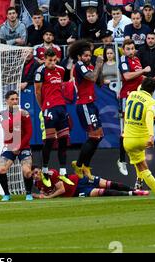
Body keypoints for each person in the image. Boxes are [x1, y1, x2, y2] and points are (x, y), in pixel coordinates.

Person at [123, 77, 155, 203]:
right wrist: (151, 136)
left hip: (128, 139)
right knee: (143, 166)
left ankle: (139, 181)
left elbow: (142, 112)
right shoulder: (151, 102)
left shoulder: (132, 94)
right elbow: (148, 117)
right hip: (142, 139)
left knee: (140, 164)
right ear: (153, 91)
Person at [34, 48, 74, 187]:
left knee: (63, 140)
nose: (51, 63)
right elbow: (37, 91)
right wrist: (43, 107)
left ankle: (63, 172)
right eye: (49, 60)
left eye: (53, 60)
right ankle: (44, 170)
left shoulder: (61, 70)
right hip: (49, 108)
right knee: (50, 140)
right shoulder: (40, 71)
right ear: (44, 59)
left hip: (61, 107)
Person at [70, 40, 104, 180]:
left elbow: (99, 82)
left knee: (99, 136)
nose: (88, 58)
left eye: (89, 55)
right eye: (85, 56)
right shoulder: (79, 65)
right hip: (84, 104)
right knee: (94, 136)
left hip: (91, 103)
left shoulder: (89, 65)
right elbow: (92, 76)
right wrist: (98, 65)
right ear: (79, 57)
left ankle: (85, 166)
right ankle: (78, 164)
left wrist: (99, 67)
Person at [118, 39, 151, 177]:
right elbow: (127, 76)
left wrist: (153, 79)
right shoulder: (123, 60)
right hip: (127, 97)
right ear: (124, 50)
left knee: (136, 127)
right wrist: (143, 70)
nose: (131, 51)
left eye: (132, 48)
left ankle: (132, 158)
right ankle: (121, 160)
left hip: (137, 98)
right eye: (128, 49)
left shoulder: (136, 59)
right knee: (126, 129)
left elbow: (139, 78)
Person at [0, 90, 33, 201]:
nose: (15, 101)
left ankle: (28, 193)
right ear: (6, 101)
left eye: (17, 99)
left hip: (23, 146)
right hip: (9, 146)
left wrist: (19, 147)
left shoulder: (25, 113)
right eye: (12, 99)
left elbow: (29, 132)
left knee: (27, 171)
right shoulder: (2, 114)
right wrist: (17, 114)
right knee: (1, 169)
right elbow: (7, 127)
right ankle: (7, 194)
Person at [31, 167, 149, 198]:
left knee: (106, 183)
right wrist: (40, 195)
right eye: (33, 175)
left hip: (79, 179)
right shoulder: (38, 184)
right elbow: (45, 192)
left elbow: (61, 189)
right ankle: (133, 194)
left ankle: (135, 190)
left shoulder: (51, 173)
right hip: (76, 192)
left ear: (41, 170)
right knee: (100, 192)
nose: (35, 176)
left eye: (36, 172)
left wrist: (48, 197)